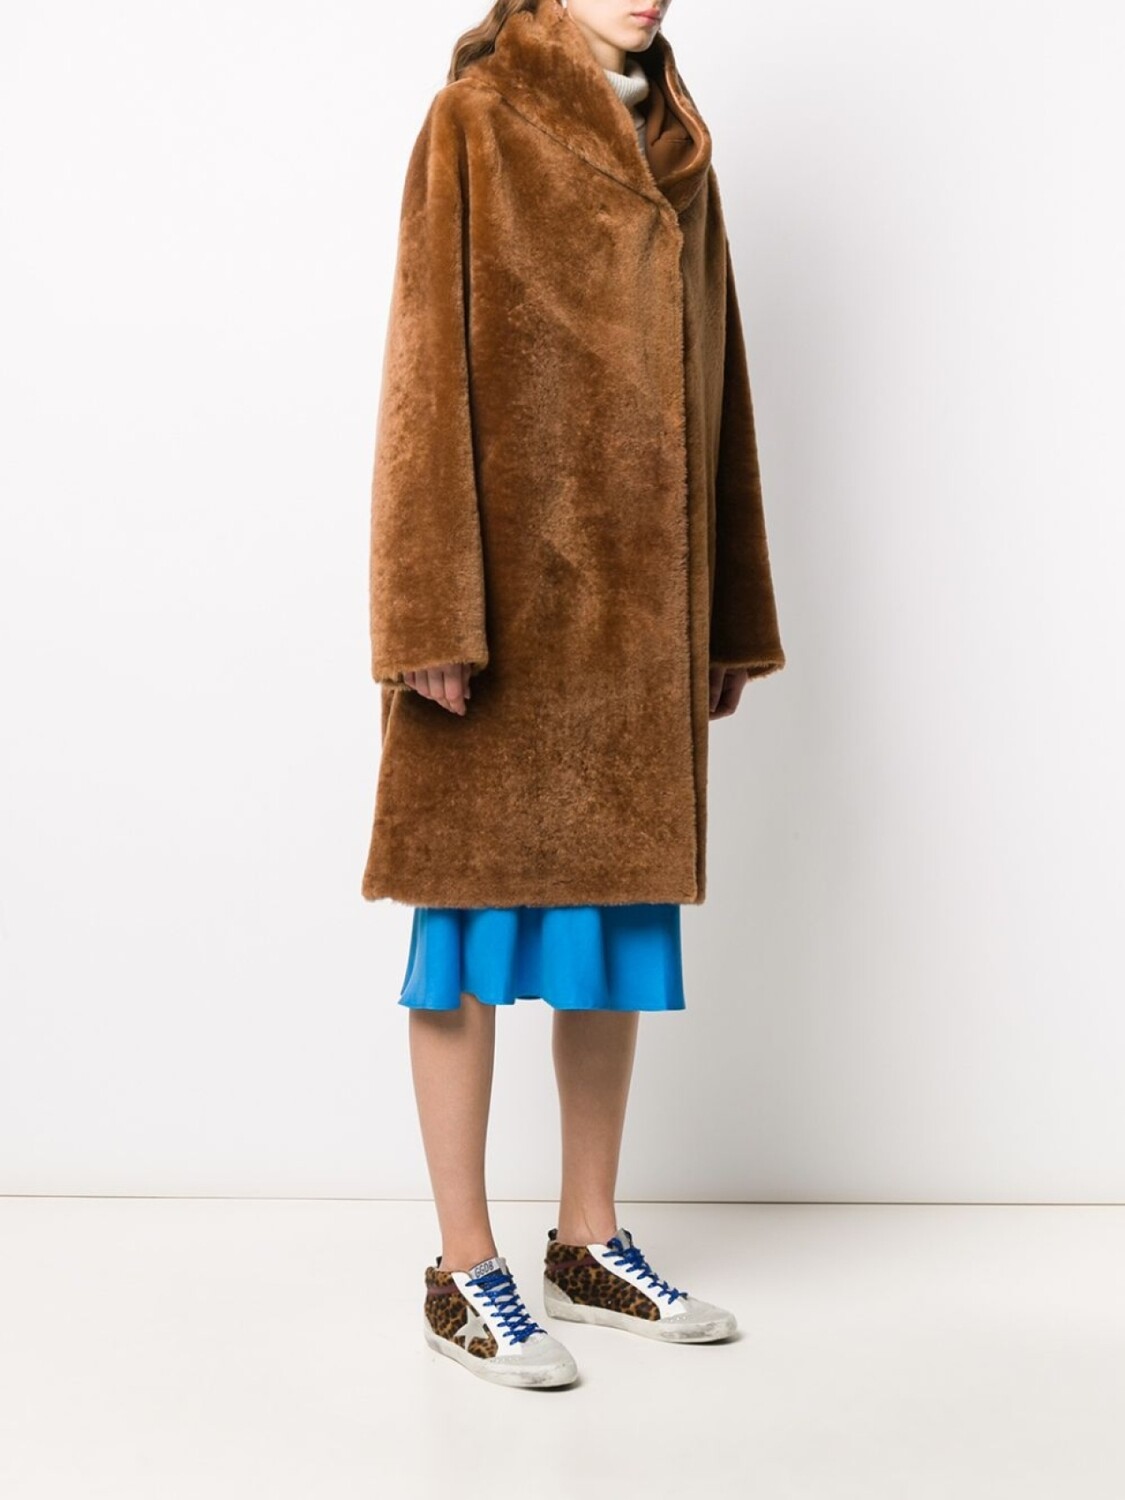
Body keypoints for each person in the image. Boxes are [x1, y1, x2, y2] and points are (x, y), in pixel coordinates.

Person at [360, 0, 785, 1389]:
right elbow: (421, 369)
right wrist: (427, 609)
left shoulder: (680, 146)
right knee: (465, 931)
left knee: (611, 926)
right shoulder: (476, 120)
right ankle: (462, 1265)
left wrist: (729, 612)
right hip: (503, 610)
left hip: (638, 620)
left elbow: (721, 384)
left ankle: (587, 1242)